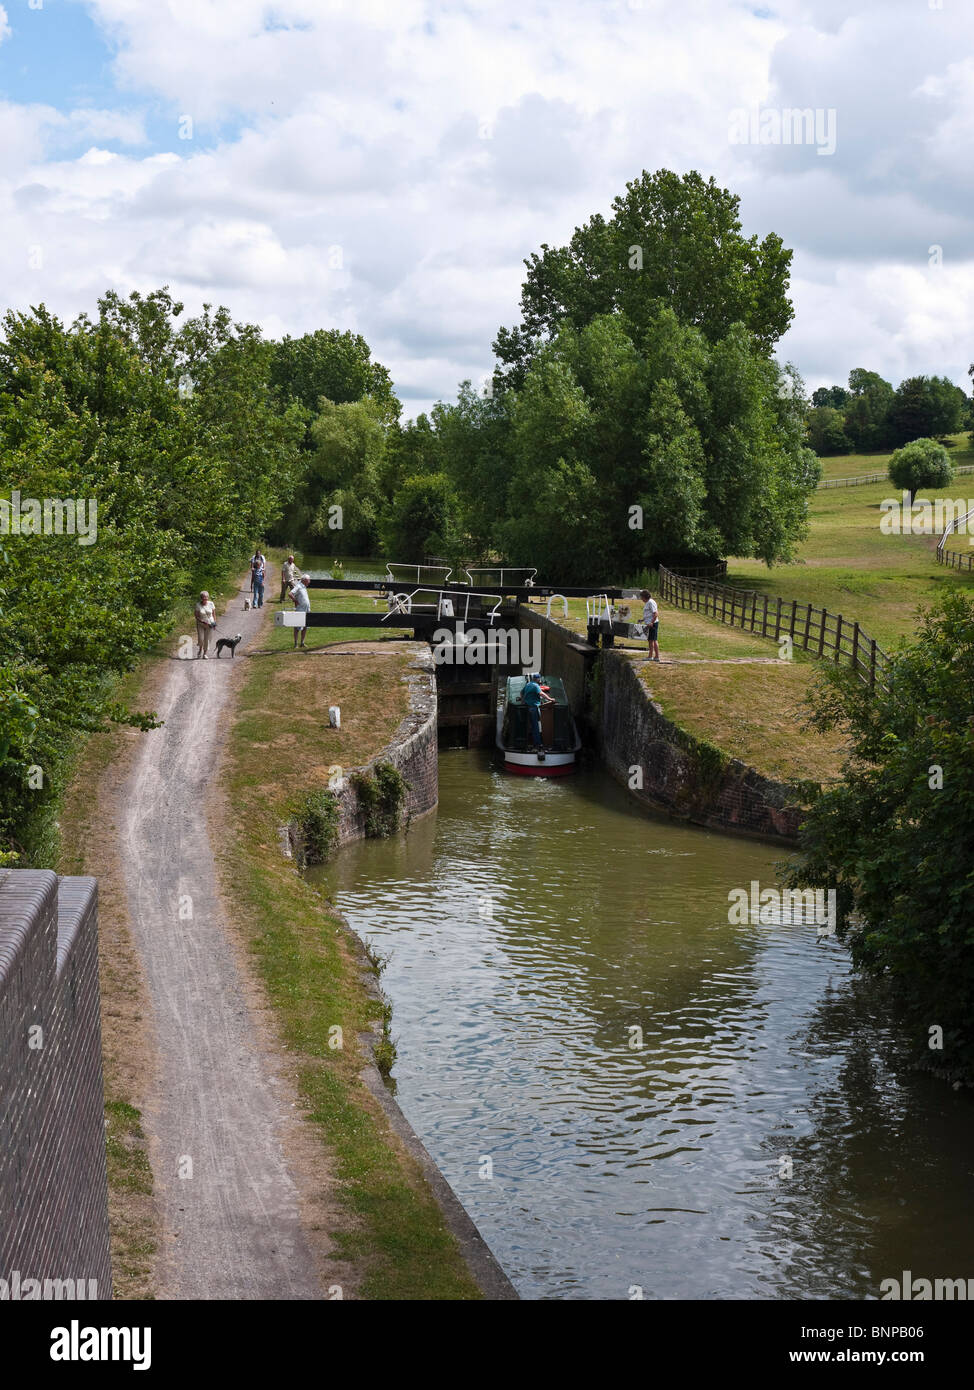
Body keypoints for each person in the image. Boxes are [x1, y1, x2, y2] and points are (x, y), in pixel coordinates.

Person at [521, 672, 555, 753]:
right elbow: (541, 693)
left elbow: (521, 692)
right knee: (535, 727)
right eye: (539, 678)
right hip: (534, 708)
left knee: (531, 726)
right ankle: (538, 744)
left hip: (528, 707)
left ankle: (529, 742)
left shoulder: (528, 685)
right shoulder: (536, 686)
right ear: (538, 679)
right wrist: (550, 699)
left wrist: (523, 700)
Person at [288, 573, 311, 649]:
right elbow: (290, 594)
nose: (309, 582)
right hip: (300, 609)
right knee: (297, 627)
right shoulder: (298, 586)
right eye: (308, 580)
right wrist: (295, 601)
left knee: (305, 626)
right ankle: (295, 644)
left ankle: (302, 642)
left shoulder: (304, 586)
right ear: (304, 580)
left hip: (306, 609)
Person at [194, 591, 217, 659]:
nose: (205, 599)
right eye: (204, 598)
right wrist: (202, 621)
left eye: (206, 598)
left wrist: (214, 623)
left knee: (207, 639)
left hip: (210, 624)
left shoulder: (211, 603)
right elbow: (196, 615)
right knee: (201, 639)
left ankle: (205, 653)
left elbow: (214, 614)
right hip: (201, 624)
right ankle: (200, 650)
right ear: (201, 598)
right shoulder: (198, 605)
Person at [640, 588, 660, 662]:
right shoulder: (648, 602)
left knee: (652, 640)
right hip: (650, 623)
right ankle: (654, 656)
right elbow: (649, 614)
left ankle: (653, 656)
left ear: (645, 596)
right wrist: (642, 620)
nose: (641, 599)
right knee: (652, 640)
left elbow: (656, 613)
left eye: (642, 597)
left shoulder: (651, 602)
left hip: (653, 624)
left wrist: (651, 622)